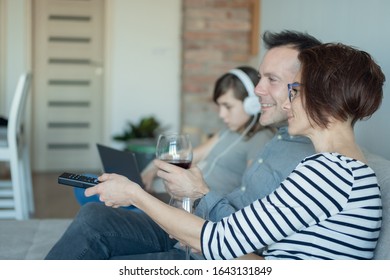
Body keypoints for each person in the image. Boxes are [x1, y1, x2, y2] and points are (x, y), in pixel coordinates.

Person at [87, 43, 384, 260]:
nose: (284, 104)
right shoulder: (339, 170)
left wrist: (134, 195)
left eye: (294, 91)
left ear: (324, 97)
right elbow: (252, 251)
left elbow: (217, 241)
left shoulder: (329, 173)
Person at [45, 30, 321, 260]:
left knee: (101, 245)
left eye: (270, 79)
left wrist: (195, 199)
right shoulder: (278, 137)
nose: (258, 89)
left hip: (208, 245)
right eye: (260, 78)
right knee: (94, 214)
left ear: (304, 88)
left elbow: (252, 249)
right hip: (198, 227)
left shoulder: (310, 161)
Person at [141, 66, 275, 195]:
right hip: (185, 196)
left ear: (253, 104)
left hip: (205, 208)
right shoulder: (229, 130)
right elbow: (190, 155)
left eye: (228, 106)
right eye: (220, 106)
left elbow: (250, 193)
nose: (221, 114)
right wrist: (153, 168)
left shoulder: (261, 138)